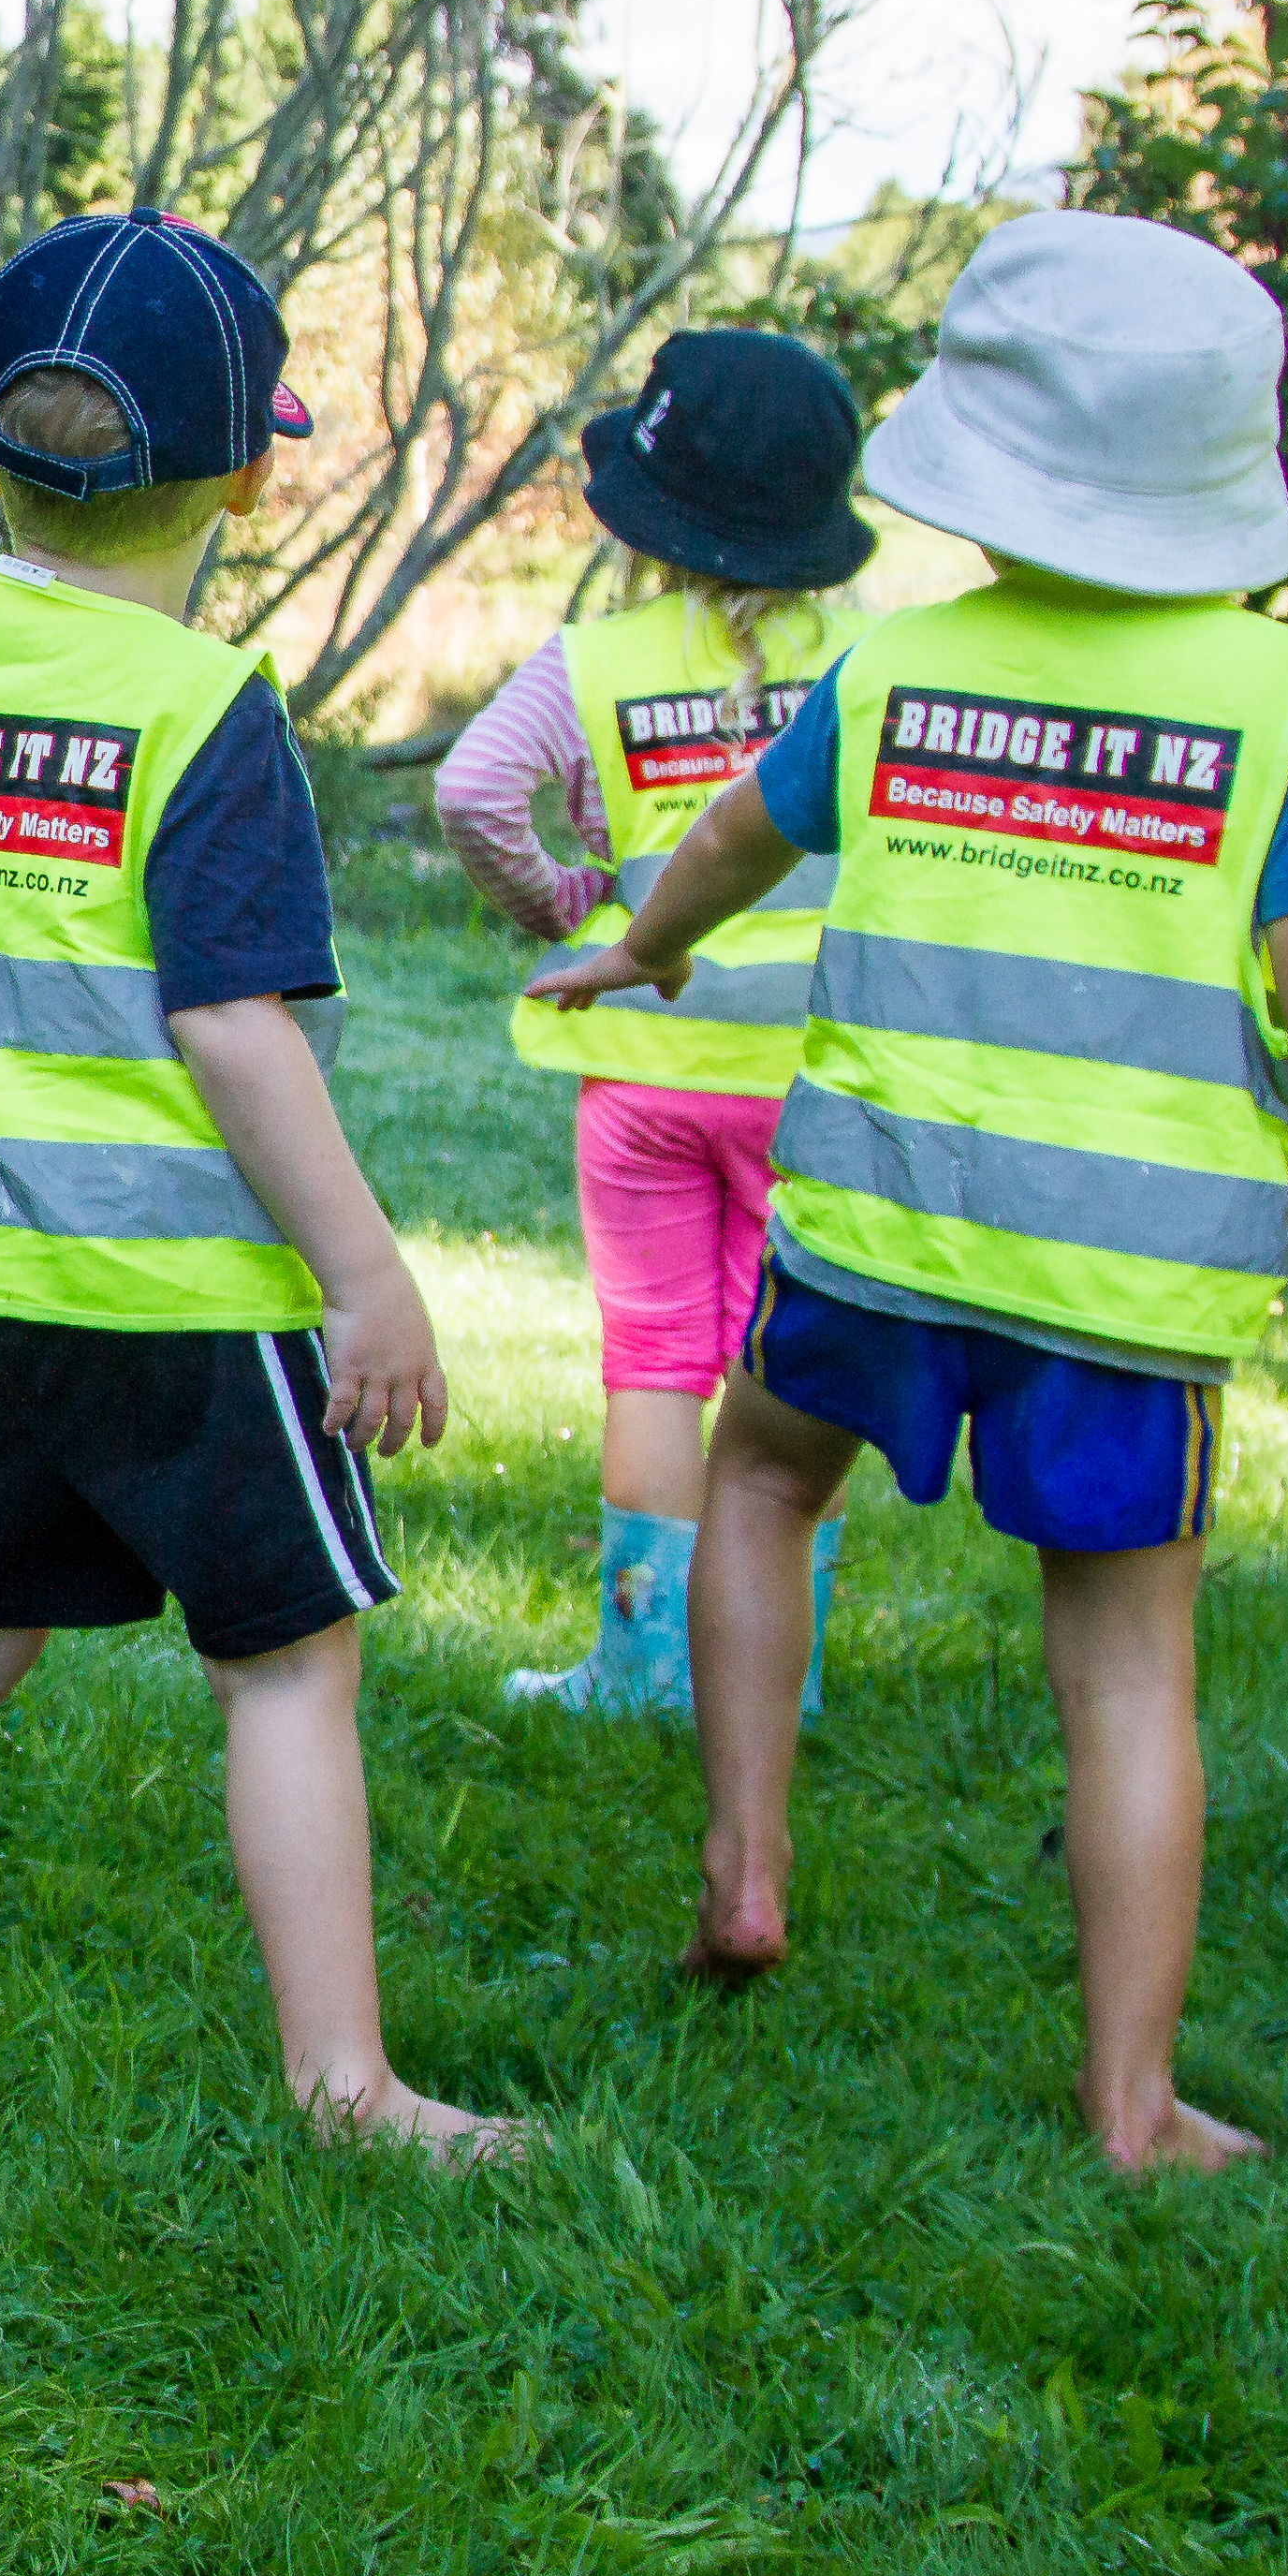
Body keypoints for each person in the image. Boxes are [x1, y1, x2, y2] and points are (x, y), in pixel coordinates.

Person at [534, 211, 1288, 2175]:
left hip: (876, 1229)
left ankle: (746, 1867)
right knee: (1126, 1662)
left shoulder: (900, 670)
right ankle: (1131, 2103)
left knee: (764, 1481)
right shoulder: (1285, 700)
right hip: (1125, 1288)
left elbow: (727, 835)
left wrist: (643, 952)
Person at [0, 208, 501, 2158]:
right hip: (182, 1297)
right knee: (289, 1667)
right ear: (251, 471)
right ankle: (347, 2090)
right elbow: (233, 1030)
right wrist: (366, 1275)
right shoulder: (204, 709)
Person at [441, 329, 871, 1716]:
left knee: (654, 1364)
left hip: (644, 1075)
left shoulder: (599, 660)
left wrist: (560, 902)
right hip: (822, 1088)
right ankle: (772, 1677)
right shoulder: (878, 667)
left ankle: (638, 1666)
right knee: (785, 1371)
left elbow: (471, 791)